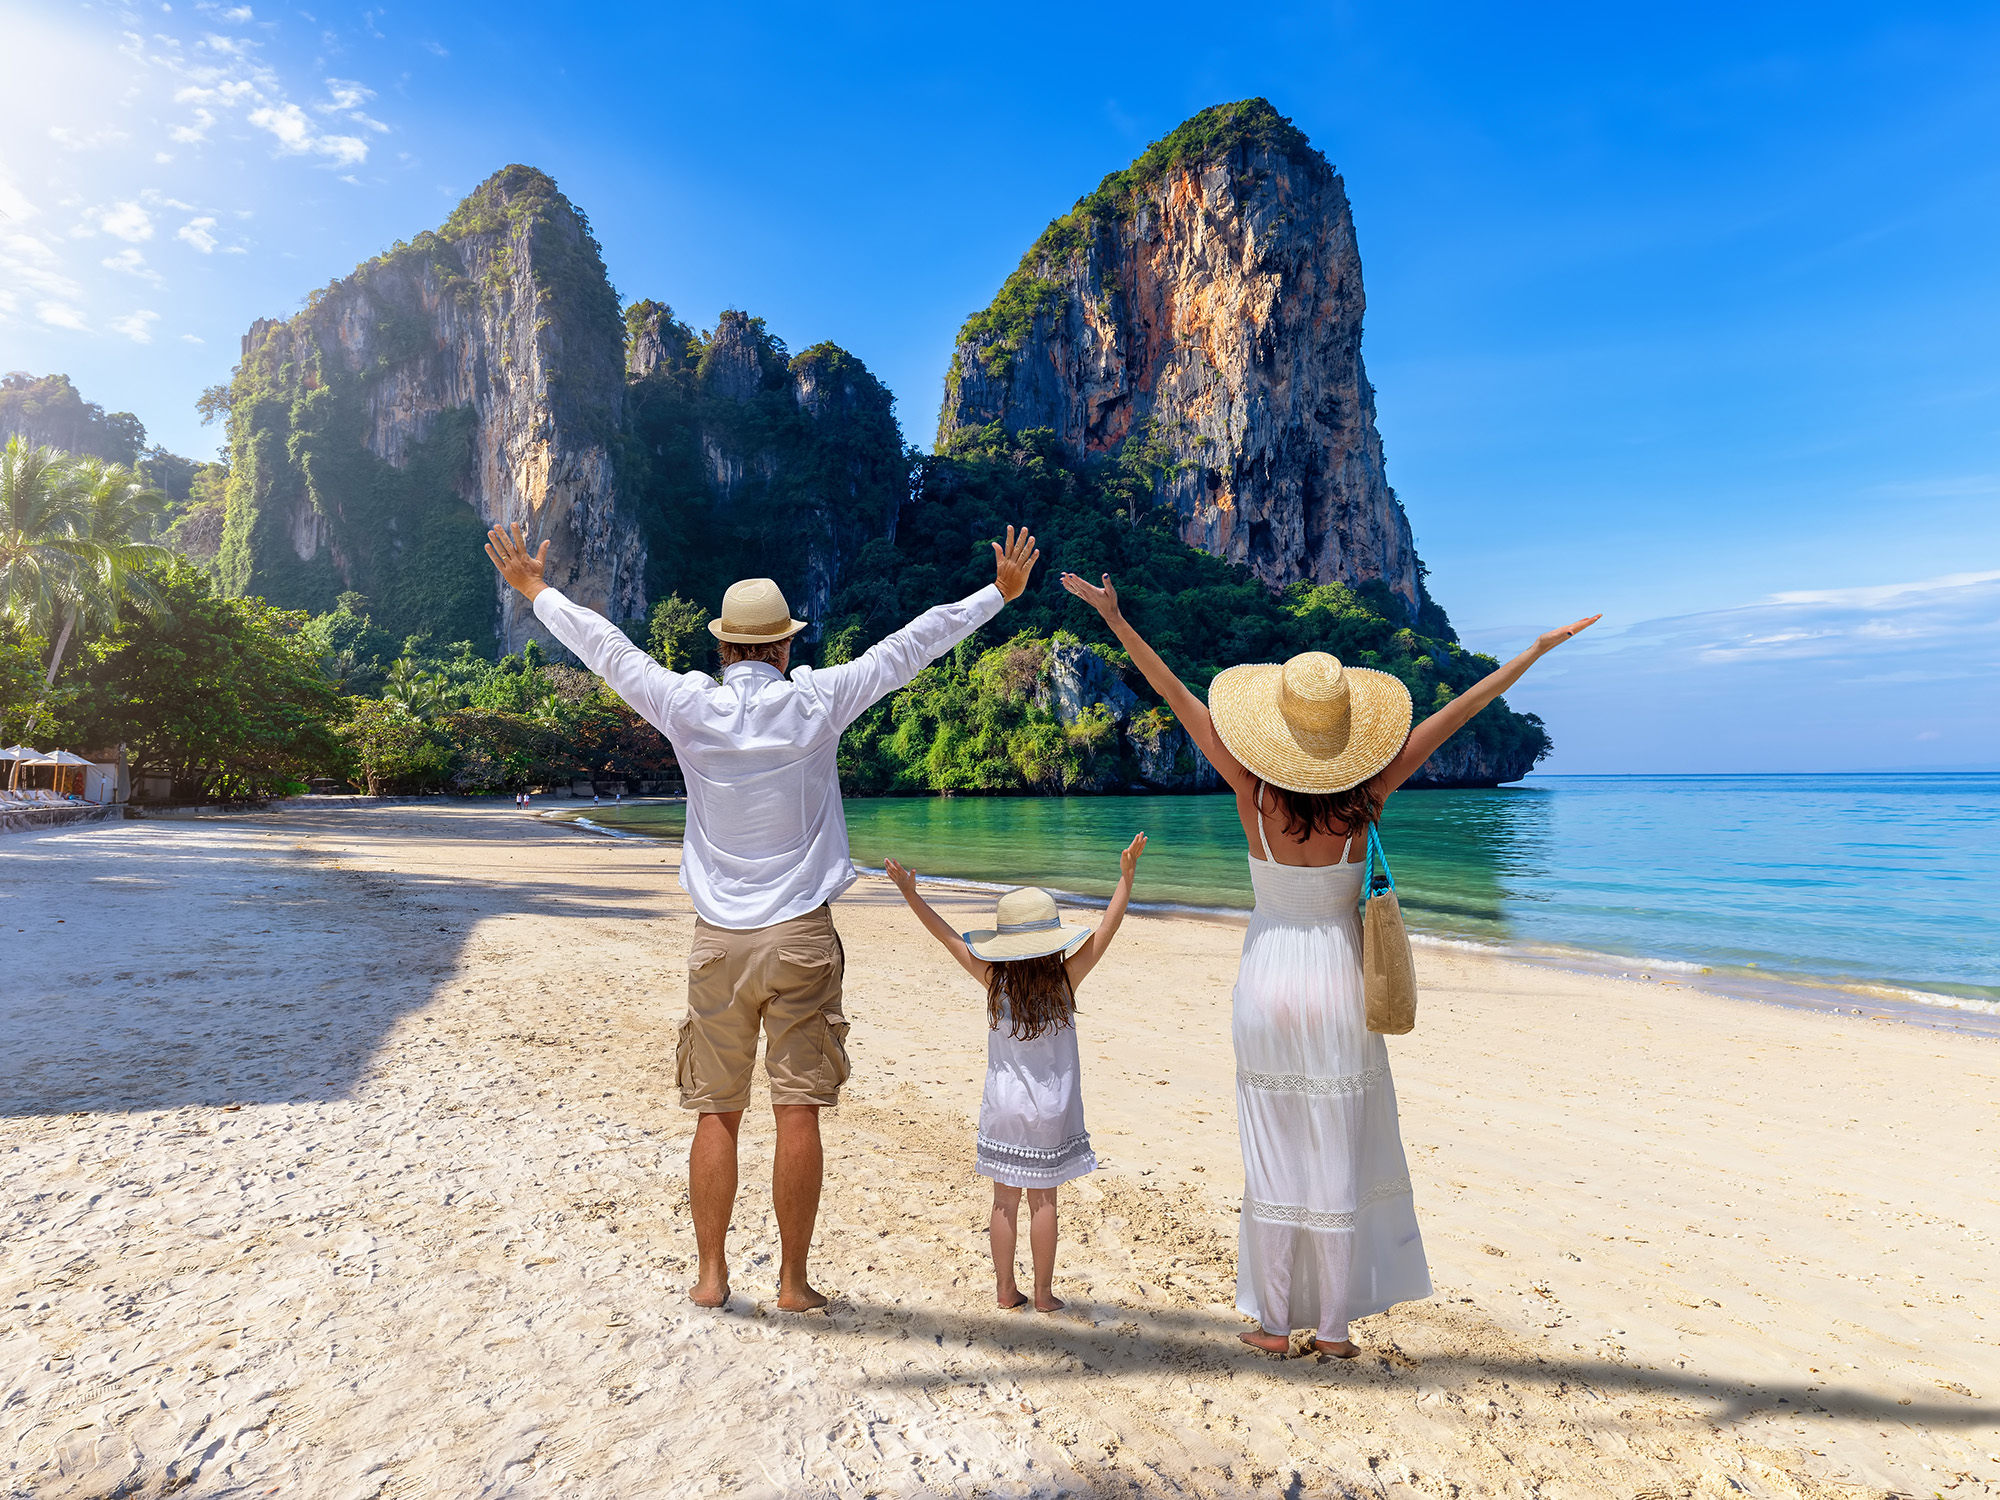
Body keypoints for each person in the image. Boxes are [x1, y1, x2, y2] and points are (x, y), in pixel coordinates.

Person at [486, 522, 1042, 1312]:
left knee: (716, 1111)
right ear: (783, 646)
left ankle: (711, 1279)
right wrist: (999, 594)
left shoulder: (686, 705)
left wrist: (536, 590)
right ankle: (791, 1283)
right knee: (796, 1110)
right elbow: (912, 645)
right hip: (801, 935)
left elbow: (607, 650)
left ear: (724, 647)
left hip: (718, 939)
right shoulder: (817, 701)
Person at [1061, 569, 1596, 1357]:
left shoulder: (1249, 788)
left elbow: (1174, 693)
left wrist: (1116, 616)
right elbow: (1459, 713)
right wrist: (1533, 654)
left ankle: (1276, 1325)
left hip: (1269, 976)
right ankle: (1337, 1330)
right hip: (1340, 980)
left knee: (1273, 1152)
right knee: (1337, 1151)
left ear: (1278, 731)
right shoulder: (1369, 795)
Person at [883, 833, 1146, 1313]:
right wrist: (1124, 881)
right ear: (1051, 943)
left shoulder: (993, 981)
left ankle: (1006, 1291)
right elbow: (1106, 931)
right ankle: (1044, 1295)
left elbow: (945, 936)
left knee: (1005, 1200)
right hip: (1052, 1108)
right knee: (1044, 1201)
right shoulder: (1065, 981)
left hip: (1003, 1105)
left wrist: (911, 894)